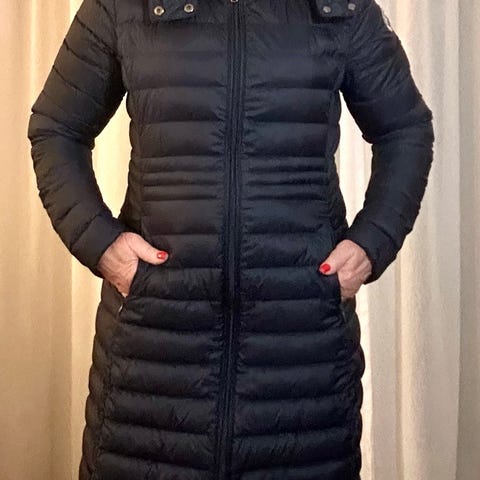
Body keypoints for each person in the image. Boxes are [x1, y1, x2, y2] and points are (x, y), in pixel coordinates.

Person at [27, 0, 434, 478]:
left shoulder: (340, 8)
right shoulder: (120, 6)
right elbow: (56, 129)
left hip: (302, 340)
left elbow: (405, 130)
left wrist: (372, 241)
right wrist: (102, 245)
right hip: (154, 343)